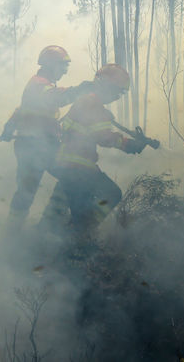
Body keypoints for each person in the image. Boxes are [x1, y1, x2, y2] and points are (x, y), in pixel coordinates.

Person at [39, 63, 148, 240]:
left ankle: (39, 241)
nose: (115, 98)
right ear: (106, 86)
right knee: (111, 194)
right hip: (79, 168)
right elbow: (103, 136)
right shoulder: (92, 102)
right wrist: (129, 145)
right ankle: (81, 238)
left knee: (55, 209)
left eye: (119, 94)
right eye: (116, 92)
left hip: (69, 165)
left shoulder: (88, 101)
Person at [0, 45, 92, 236]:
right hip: (34, 147)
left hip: (37, 146)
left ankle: (24, 230)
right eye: (62, 66)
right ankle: (30, 230)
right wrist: (81, 90)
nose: (65, 71)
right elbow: (55, 98)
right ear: (50, 65)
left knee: (29, 191)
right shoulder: (41, 84)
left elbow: (24, 108)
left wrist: (10, 125)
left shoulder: (39, 83)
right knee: (61, 180)